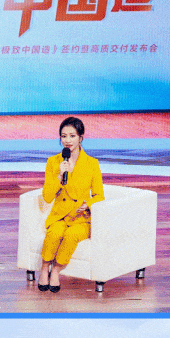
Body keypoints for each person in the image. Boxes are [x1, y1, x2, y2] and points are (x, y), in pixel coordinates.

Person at [37, 116, 104, 292]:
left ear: (81, 137)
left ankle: (56, 270)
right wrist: (59, 177)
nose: (67, 140)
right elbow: (47, 197)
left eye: (72, 136)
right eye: (63, 136)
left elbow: (99, 195)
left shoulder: (92, 164)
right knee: (54, 234)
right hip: (60, 215)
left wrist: (88, 204)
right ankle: (44, 267)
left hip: (81, 218)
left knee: (71, 236)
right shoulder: (53, 162)